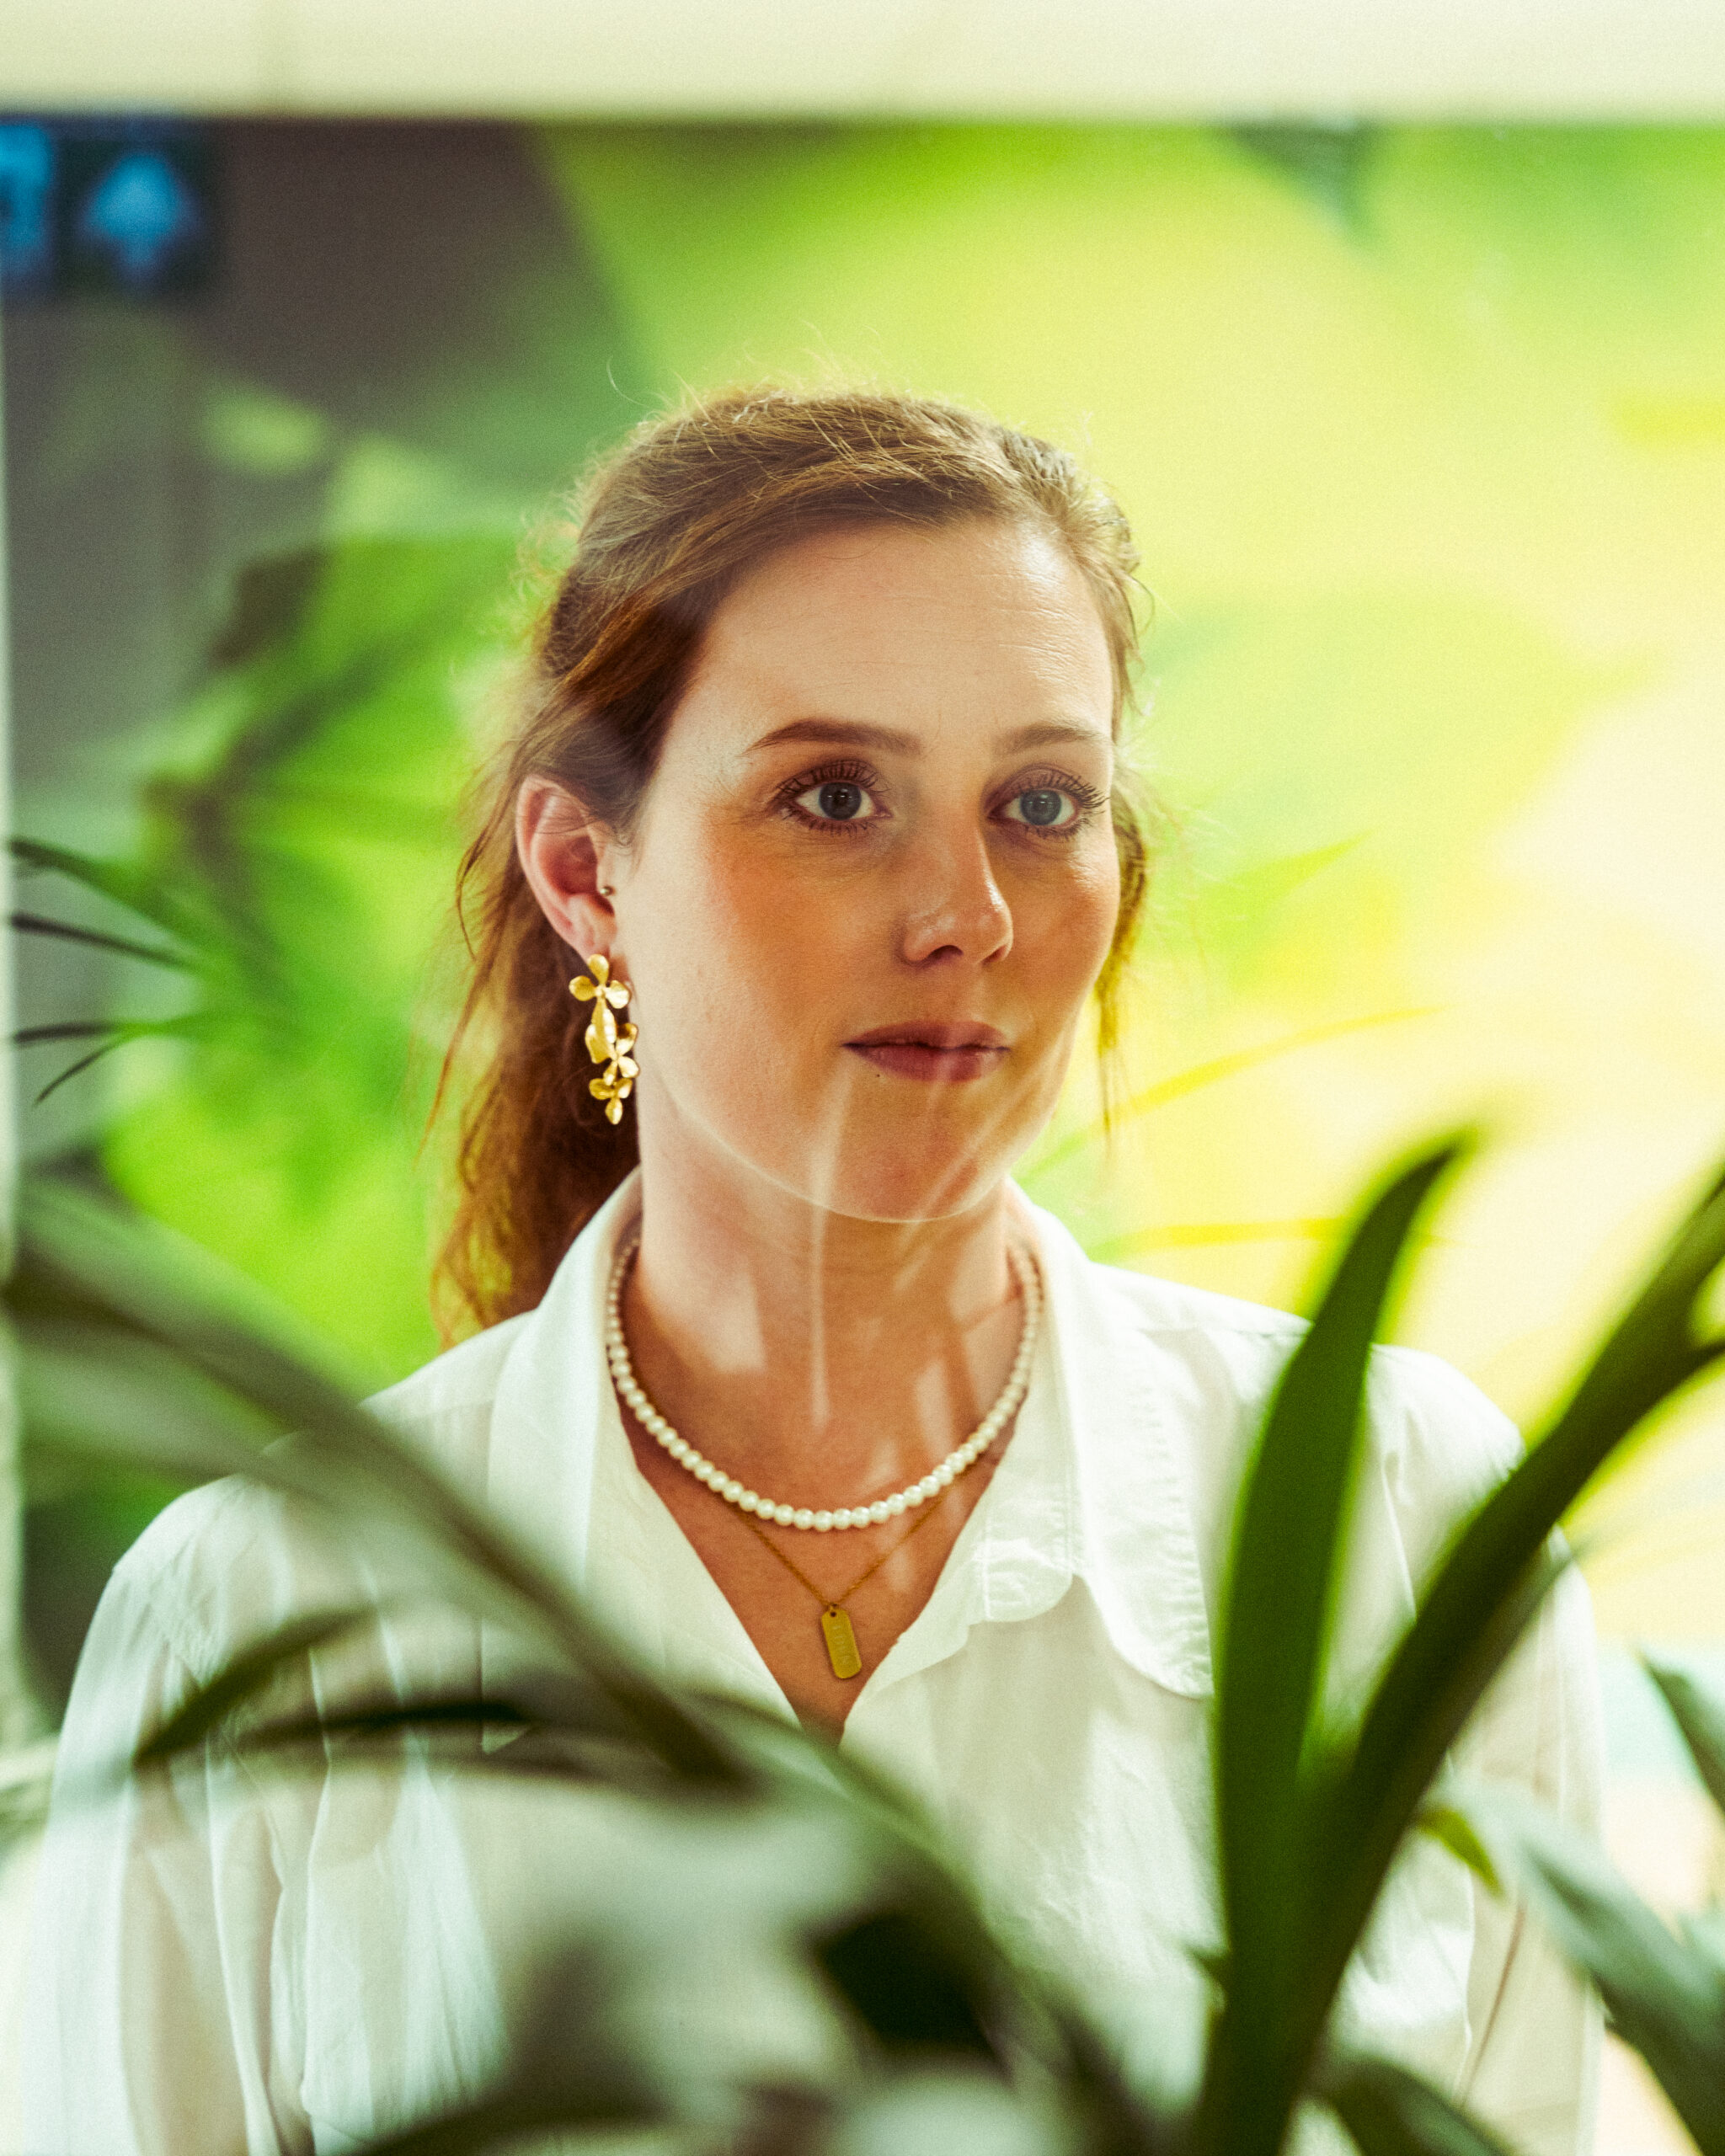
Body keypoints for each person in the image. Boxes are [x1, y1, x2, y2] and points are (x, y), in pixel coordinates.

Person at [25, 387, 1601, 2154]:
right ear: (584, 871)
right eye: (834, 794)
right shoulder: (264, 1605)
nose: (967, 914)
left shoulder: (1395, 1521)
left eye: (1039, 800)